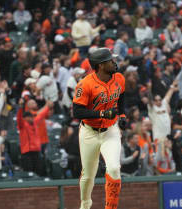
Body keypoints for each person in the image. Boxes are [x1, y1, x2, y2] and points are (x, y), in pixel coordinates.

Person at [72, 48, 126, 209]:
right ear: (101, 65)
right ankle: (85, 204)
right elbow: (77, 112)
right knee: (88, 175)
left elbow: (121, 97)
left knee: (114, 168)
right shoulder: (85, 84)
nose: (114, 62)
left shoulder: (119, 78)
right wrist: (102, 113)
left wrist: (122, 116)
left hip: (110, 130)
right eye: (111, 60)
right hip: (89, 132)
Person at [17, 99, 53, 176]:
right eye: (29, 117)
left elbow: (41, 115)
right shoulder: (22, 126)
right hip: (27, 152)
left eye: (31, 117)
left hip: (36, 151)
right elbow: (19, 119)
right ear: (25, 118)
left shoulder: (35, 122)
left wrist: (47, 107)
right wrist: (20, 108)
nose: (31, 118)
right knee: (29, 172)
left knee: (39, 170)